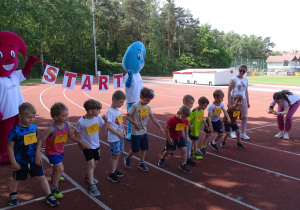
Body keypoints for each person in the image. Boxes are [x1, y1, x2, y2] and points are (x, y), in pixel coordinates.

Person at [7, 102, 59, 207]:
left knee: (42, 177)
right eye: (29, 117)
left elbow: (35, 142)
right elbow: (10, 147)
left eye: (33, 117)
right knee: (16, 178)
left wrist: (38, 154)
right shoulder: (15, 130)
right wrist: (13, 161)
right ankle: (13, 195)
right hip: (20, 161)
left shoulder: (34, 127)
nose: (31, 119)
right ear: (20, 116)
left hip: (33, 159)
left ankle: (49, 195)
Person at [36, 102, 89, 199]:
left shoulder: (67, 124)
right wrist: (38, 153)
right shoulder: (51, 129)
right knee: (61, 169)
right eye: (64, 116)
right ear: (55, 117)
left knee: (57, 169)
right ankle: (54, 189)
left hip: (60, 151)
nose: (66, 117)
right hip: (51, 152)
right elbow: (40, 140)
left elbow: (71, 137)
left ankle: (53, 175)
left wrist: (80, 142)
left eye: (67, 115)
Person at [124, 87, 164, 171]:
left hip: (143, 131)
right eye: (146, 100)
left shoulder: (148, 107)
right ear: (141, 97)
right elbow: (127, 116)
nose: (147, 102)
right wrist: (134, 123)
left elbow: (153, 118)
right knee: (135, 149)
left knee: (144, 148)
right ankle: (128, 157)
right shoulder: (135, 106)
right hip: (135, 132)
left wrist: (160, 127)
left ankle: (141, 163)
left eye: (149, 101)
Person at [75, 99, 107, 196]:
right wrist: (79, 143)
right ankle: (91, 185)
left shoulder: (98, 118)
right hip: (87, 146)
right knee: (91, 164)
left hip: (96, 145)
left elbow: (104, 130)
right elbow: (76, 132)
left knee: (95, 162)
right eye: (98, 110)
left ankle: (88, 177)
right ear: (90, 111)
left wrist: (106, 121)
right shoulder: (81, 121)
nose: (100, 112)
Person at [162, 95, 196, 166]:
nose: (192, 105)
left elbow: (186, 122)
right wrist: (169, 138)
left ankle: (187, 158)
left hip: (180, 132)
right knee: (188, 142)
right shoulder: (180, 113)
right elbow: (168, 126)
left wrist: (189, 126)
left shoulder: (186, 114)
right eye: (191, 103)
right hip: (175, 132)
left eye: (193, 103)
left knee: (187, 143)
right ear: (185, 103)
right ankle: (166, 151)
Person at [158, 105, 191, 173]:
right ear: (179, 113)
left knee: (184, 150)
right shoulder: (172, 119)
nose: (184, 119)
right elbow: (166, 128)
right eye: (183, 117)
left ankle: (183, 164)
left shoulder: (185, 120)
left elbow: (185, 127)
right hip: (172, 138)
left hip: (180, 137)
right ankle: (162, 158)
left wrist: (187, 137)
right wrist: (169, 138)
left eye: (186, 117)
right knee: (168, 151)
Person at [200, 89, 230, 154]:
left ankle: (213, 143)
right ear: (216, 97)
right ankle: (203, 147)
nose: (222, 100)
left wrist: (228, 118)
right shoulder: (212, 106)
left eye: (222, 98)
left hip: (217, 121)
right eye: (221, 98)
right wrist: (210, 126)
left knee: (220, 134)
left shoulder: (221, 104)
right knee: (207, 135)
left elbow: (225, 112)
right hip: (210, 121)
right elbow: (209, 117)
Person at [106, 90, 126, 183]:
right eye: (121, 102)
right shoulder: (110, 112)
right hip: (114, 138)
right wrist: (118, 134)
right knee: (115, 155)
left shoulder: (118, 110)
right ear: (114, 100)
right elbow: (108, 126)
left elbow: (120, 122)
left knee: (118, 154)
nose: (122, 104)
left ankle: (115, 169)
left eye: (123, 102)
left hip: (120, 136)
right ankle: (111, 173)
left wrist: (124, 130)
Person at [227, 65, 250, 140]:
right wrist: (229, 102)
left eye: (243, 71)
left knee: (245, 116)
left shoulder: (246, 80)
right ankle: (233, 132)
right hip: (235, 98)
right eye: (240, 70)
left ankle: (243, 132)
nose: (242, 72)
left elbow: (246, 91)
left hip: (243, 99)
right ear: (238, 70)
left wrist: (248, 101)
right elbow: (229, 90)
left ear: (246, 71)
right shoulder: (233, 79)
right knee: (233, 116)